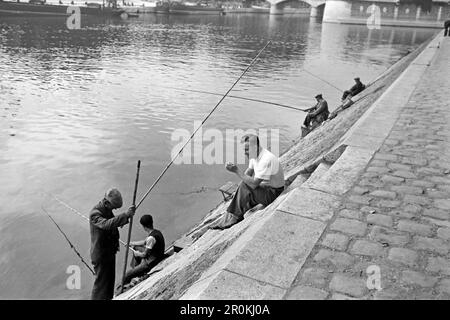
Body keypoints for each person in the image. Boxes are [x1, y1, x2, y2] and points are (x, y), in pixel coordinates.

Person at [212, 134, 285, 230]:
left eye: (247, 150)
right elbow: (249, 172)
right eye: (244, 150)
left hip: (274, 192)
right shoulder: (255, 155)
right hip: (267, 186)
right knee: (243, 185)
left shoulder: (266, 159)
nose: (245, 153)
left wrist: (236, 171)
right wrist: (239, 189)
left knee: (246, 186)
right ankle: (233, 214)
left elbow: (254, 184)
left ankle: (233, 217)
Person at [89, 188, 135, 300]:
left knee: (109, 283)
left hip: (109, 252)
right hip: (101, 255)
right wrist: (125, 215)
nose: (114, 209)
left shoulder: (106, 210)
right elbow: (106, 224)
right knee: (100, 285)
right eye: (114, 207)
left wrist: (124, 218)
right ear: (106, 202)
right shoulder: (95, 214)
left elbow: (111, 222)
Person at [120, 214, 165, 288]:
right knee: (135, 247)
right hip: (154, 255)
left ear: (143, 226)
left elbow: (145, 255)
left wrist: (137, 254)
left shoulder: (151, 238)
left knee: (127, 275)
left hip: (151, 261)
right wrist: (131, 243)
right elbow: (144, 242)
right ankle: (136, 270)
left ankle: (125, 285)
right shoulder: (156, 232)